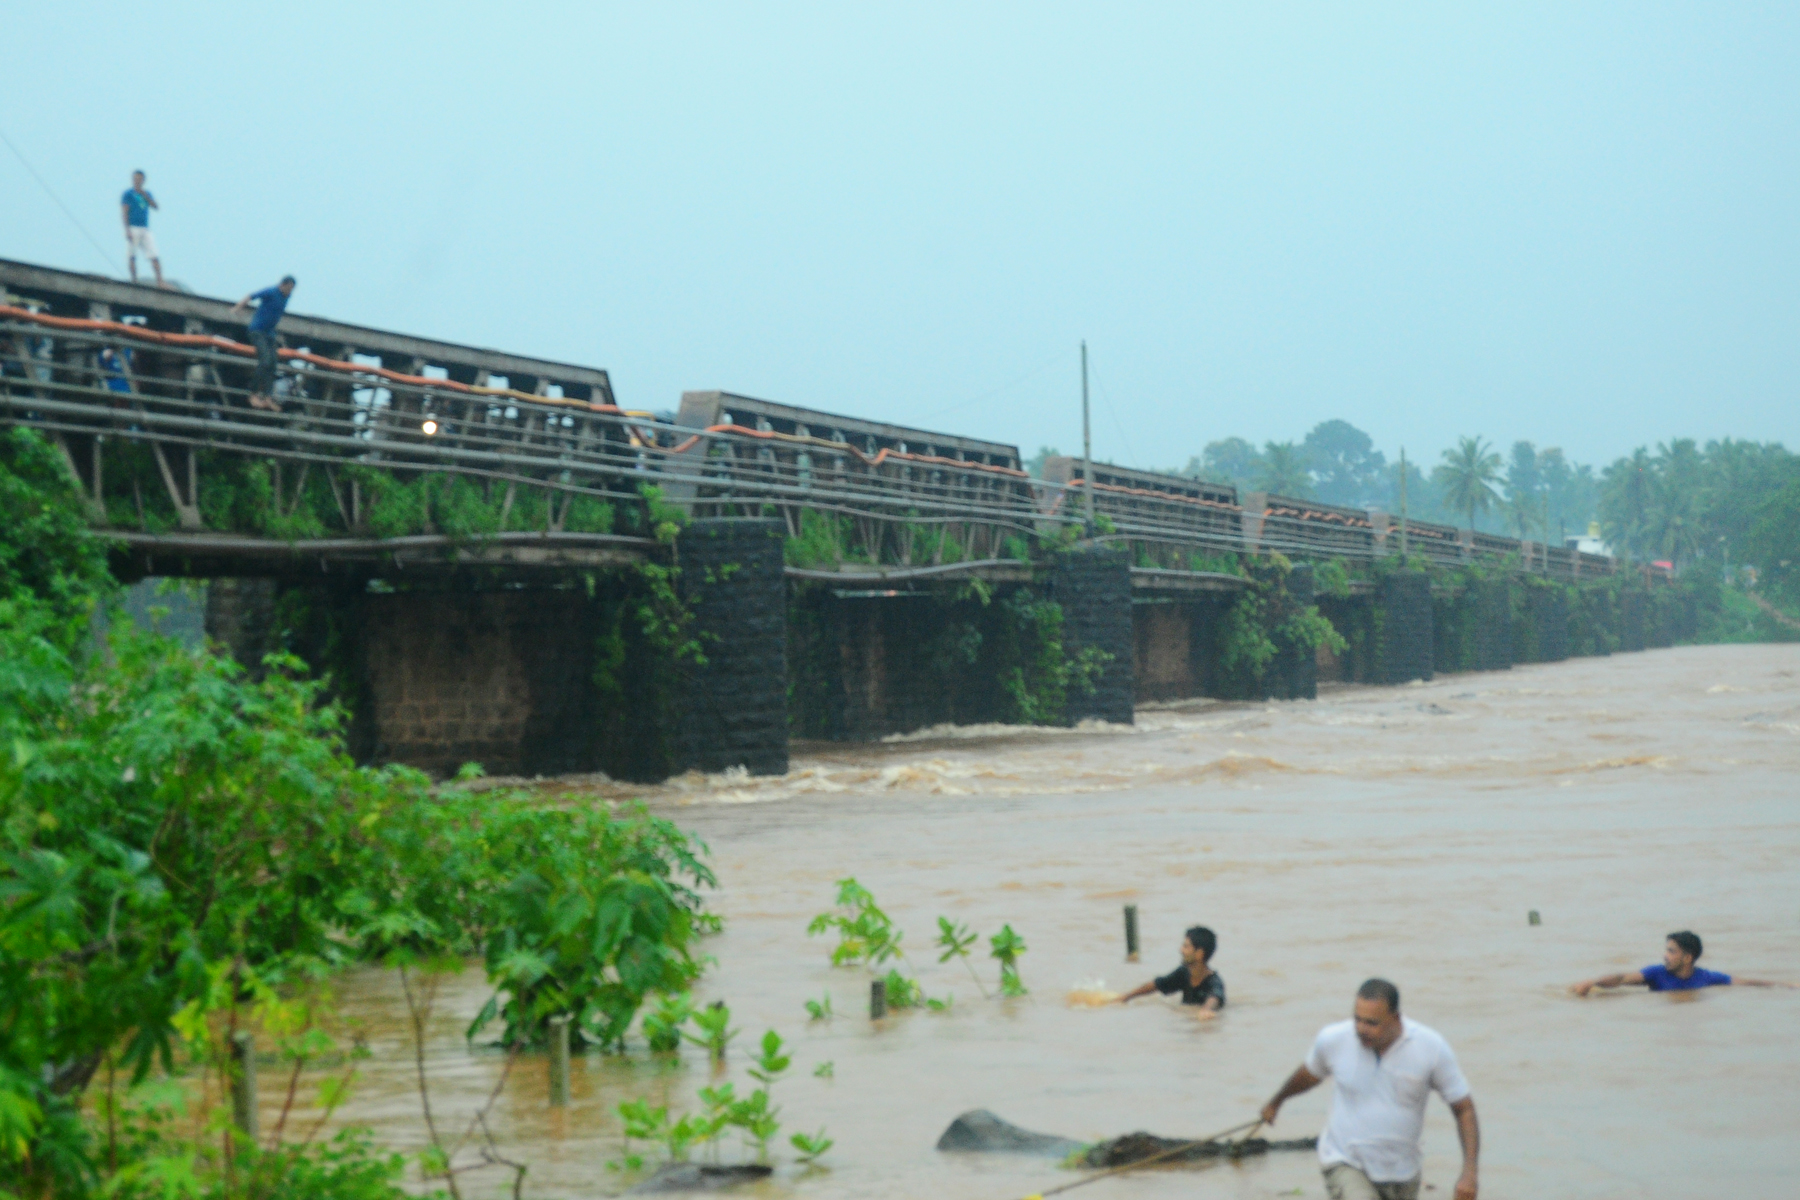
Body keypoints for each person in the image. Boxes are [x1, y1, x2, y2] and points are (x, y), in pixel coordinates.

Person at [1261, 979, 1479, 1200]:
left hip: (1403, 1174)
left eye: (1372, 1023)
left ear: (1395, 1018)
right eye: (1358, 1019)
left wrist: (1469, 1173)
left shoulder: (1430, 1048)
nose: (1361, 1029)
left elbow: (1464, 1109)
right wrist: (1276, 1102)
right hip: (1346, 1162)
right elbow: (1309, 1074)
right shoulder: (1335, 1040)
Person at [1571, 930, 1792, 995]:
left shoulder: (1706, 978)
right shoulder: (1656, 974)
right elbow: (1622, 978)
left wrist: (1788, 985)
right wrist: (1593, 982)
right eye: (1666, 950)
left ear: (1687, 958)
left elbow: (1745, 982)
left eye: (1671, 951)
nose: (1665, 956)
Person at [1118, 925, 1224, 1016]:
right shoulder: (1183, 973)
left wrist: (1206, 1010)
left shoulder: (1214, 982)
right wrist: (1127, 996)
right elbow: (1157, 984)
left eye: (1186, 947)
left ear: (1199, 953)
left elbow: (1215, 997)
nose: (1181, 950)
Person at [230, 277, 295, 411]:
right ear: (282, 285)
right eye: (288, 288)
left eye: (292, 290)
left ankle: (268, 398)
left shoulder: (286, 297)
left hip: (270, 334)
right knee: (265, 361)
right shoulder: (271, 291)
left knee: (273, 365)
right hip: (257, 331)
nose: (290, 292)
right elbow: (251, 296)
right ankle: (253, 393)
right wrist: (237, 308)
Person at [121, 171, 163, 287]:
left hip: (145, 228)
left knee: (154, 254)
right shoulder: (128, 194)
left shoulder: (147, 193)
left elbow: (155, 206)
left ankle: (160, 281)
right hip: (133, 227)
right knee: (132, 255)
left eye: (139, 179)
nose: (137, 181)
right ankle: (134, 280)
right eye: (135, 179)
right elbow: (125, 212)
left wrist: (145, 195)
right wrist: (127, 230)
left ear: (143, 181)